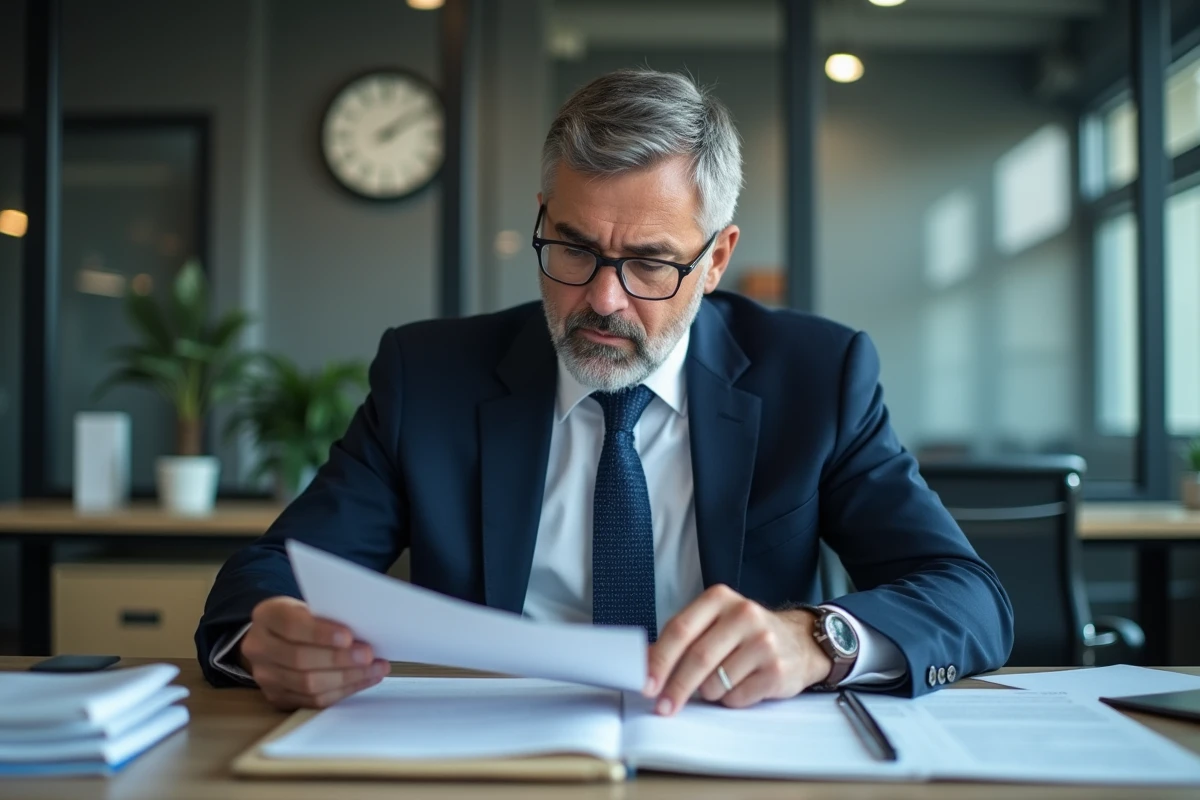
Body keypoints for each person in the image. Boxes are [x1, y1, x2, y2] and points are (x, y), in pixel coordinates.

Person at [196, 68, 1013, 713]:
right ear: (543, 215)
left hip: (734, 757)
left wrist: (818, 638)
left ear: (717, 258)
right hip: (490, 757)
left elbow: (968, 598)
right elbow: (262, 580)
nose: (603, 300)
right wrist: (268, 639)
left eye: (652, 262)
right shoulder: (429, 377)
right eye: (574, 248)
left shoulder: (816, 375)